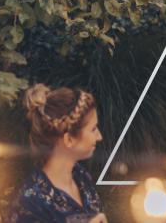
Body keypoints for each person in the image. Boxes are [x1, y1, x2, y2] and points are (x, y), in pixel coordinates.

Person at [10, 84, 107, 223]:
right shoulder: (32, 202)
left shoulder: (81, 176)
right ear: (68, 140)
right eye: (93, 129)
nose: (99, 136)